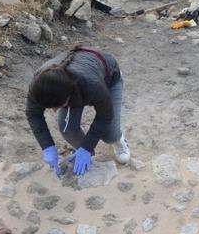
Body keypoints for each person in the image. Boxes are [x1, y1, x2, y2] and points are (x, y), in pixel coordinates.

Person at [25, 46, 130, 176]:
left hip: (109, 77)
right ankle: (88, 155)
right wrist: (47, 146)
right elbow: (33, 114)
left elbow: (105, 116)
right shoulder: (39, 85)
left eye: (57, 106)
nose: (53, 111)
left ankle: (119, 140)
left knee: (109, 134)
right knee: (67, 128)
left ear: (69, 96)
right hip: (73, 84)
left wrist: (86, 147)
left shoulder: (92, 85)